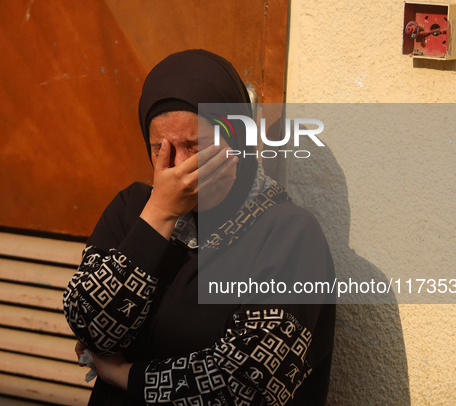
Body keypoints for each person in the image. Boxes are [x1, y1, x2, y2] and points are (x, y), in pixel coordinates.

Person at [63, 49, 336, 406]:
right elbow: (89, 325)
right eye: (160, 149)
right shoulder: (134, 210)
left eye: (195, 146)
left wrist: (123, 374)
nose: (177, 167)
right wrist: (160, 214)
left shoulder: (288, 234)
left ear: (237, 139)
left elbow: (245, 384)